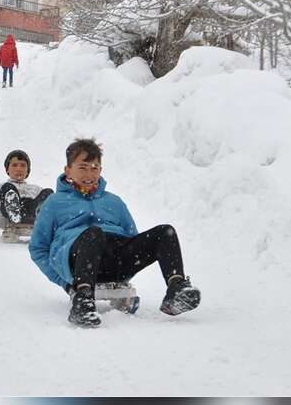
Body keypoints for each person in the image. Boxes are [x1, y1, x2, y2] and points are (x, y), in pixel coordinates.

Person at [28, 138, 201, 327]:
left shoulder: (114, 202)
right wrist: (66, 282)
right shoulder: (54, 203)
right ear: (68, 170)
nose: (89, 174)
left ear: (101, 170)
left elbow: (132, 237)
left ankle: (176, 289)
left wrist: (125, 272)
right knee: (93, 233)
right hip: (78, 262)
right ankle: (83, 301)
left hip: (115, 262)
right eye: (83, 167)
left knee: (164, 232)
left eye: (95, 168)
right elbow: (38, 249)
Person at [0, 149, 53, 242]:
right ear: (7, 169)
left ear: (28, 170)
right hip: (9, 218)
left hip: (32, 215)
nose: (19, 169)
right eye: (14, 165)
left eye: (23, 165)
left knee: (48, 192)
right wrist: (1, 221)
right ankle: (13, 209)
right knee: (8, 188)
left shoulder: (36, 189)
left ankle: (40, 215)